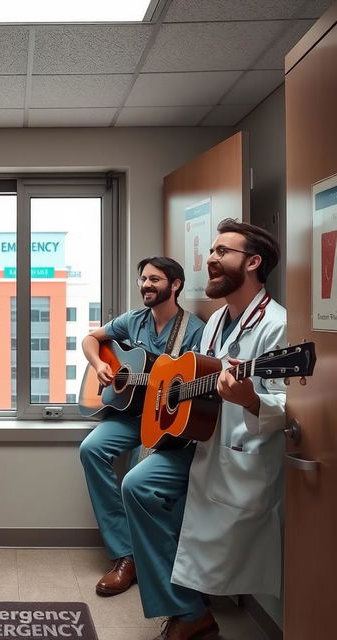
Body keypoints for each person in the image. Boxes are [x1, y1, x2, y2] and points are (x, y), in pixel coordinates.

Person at [122, 219, 286, 640]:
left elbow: (286, 406)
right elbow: (190, 376)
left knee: (151, 491)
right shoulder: (214, 321)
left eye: (222, 252)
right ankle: (187, 607)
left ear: (252, 262)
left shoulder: (276, 325)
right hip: (198, 440)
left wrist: (249, 398)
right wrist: (172, 394)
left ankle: (189, 612)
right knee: (137, 484)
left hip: (236, 450)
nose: (211, 259)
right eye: (211, 251)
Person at [80, 257, 205, 597]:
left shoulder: (193, 330)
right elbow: (91, 339)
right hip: (129, 414)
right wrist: (101, 367)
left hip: (164, 421)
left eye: (155, 279)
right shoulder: (133, 320)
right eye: (143, 279)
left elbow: (194, 380)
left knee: (139, 474)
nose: (146, 285)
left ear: (175, 285)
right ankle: (125, 554)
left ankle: (149, 560)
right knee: (90, 449)